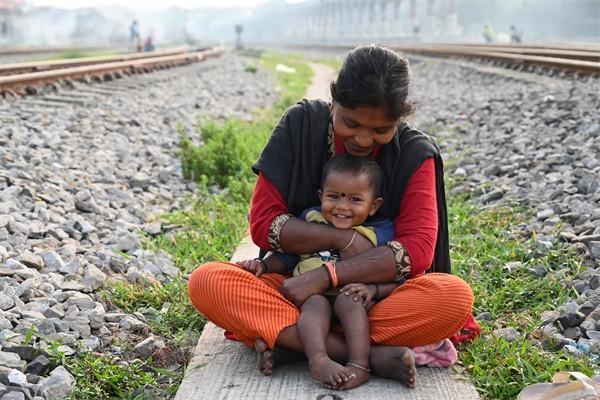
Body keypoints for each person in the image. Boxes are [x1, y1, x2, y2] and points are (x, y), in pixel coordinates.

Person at [188, 45, 477, 390]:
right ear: (334, 99)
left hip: (375, 297)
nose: (364, 139)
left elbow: (418, 251)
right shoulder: (301, 125)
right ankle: (369, 354)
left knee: (453, 297)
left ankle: (297, 343)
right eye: (350, 123)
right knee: (208, 281)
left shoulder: (414, 153)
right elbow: (264, 224)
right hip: (296, 289)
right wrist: (342, 239)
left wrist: (330, 275)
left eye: (381, 129)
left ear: (400, 119)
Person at [237, 154, 396, 389]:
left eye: (355, 199)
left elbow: (394, 273)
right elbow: (290, 256)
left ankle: (359, 364)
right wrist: (263, 265)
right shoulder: (311, 219)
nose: (342, 207)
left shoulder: (381, 230)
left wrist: (372, 289)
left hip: (353, 297)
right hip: (307, 297)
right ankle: (318, 359)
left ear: (374, 205)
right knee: (314, 305)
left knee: (350, 302)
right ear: (321, 196)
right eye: (333, 196)